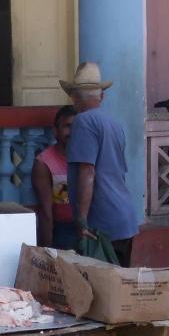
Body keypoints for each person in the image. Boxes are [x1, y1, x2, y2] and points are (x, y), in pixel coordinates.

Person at [62, 62, 139, 266]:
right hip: (124, 217)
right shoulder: (114, 123)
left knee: (103, 292)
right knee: (118, 288)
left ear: (75, 97)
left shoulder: (83, 121)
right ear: (101, 96)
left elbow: (87, 172)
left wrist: (81, 220)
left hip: (102, 221)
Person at [32, 105, 77, 248]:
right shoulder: (44, 162)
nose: (72, 132)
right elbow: (46, 213)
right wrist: (47, 251)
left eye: (77, 127)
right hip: (63, 229)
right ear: (55, 131)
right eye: (67, 126)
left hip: (90, 227)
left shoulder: (88, 157)